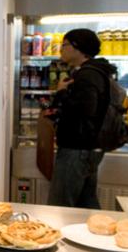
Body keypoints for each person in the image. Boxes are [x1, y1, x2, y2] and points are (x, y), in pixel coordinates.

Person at [47, 28, 114, 209]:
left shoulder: (87, 75)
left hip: (76, 149)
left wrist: (61, 93)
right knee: (86, 205)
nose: (61, 49)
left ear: (78, 47)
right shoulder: (97, 71)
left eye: (65, 45)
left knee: (59, 206)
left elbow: (84, 110)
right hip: (89, 147)